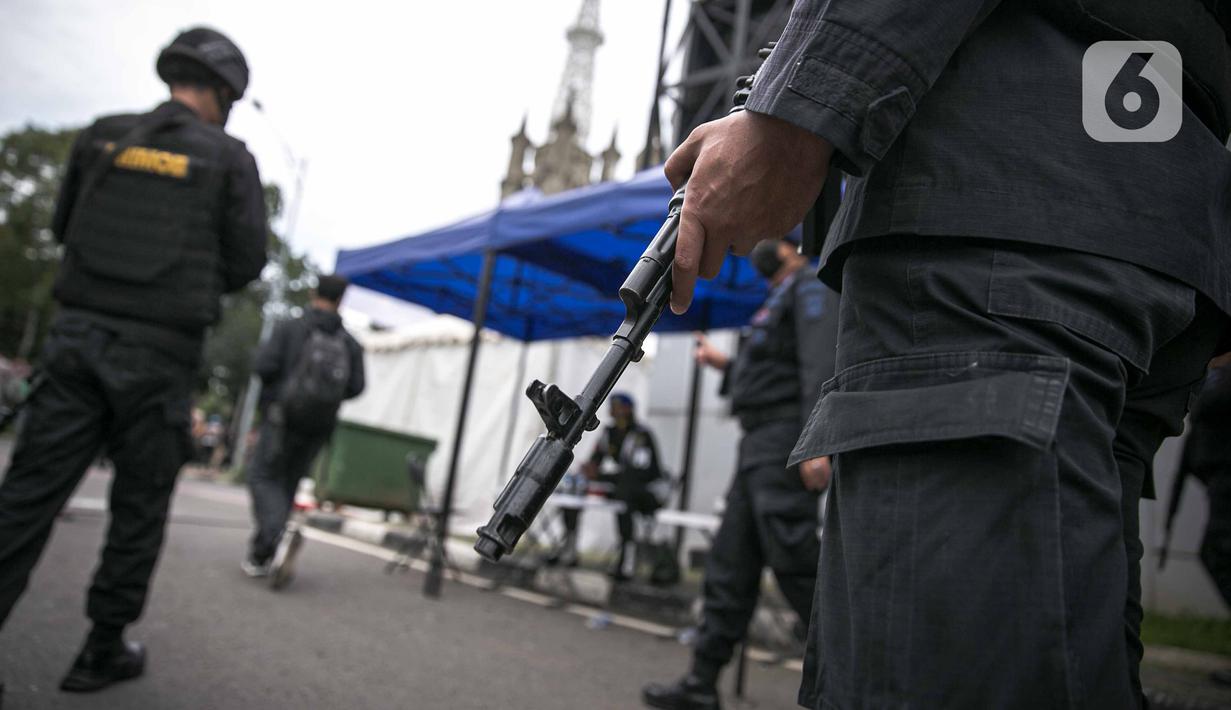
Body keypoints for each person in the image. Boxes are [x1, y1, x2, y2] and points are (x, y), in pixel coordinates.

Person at [662, 2, 1231, 708]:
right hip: (1132, 220)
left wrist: (794, 110)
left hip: (990, 217)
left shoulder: (801, 292)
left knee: (936, 670)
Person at [0, 26, 265, 693]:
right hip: (159, 357)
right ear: (226, 94)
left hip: (77, 344)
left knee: (26, 499)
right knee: (139, 509)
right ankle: (101, 649)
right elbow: (246, 261)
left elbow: (65, 229)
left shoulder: (102, 137)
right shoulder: (229, 159)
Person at [643, 236, 837, 710]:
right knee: (732, 563)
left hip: (784, 439)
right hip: (759, 443)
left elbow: (818, 363)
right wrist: (724, 364)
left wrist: (818, 438)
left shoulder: (810, 283)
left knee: (793, 554)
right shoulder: (776, 296)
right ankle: (701, 683)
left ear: (794, 245)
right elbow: (772, 371)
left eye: (772, 238)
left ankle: (859, 675)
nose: (760, 246)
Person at [243, 274, 365, 584]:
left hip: (281, 419)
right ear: (342, 298)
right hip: (318, 426)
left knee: (262, 475)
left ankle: (274, 535)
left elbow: (263, 367)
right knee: (287, 484)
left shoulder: (291, 328)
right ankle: (263, 553)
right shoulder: (349, 342)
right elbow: (356, 386)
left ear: (314, 292)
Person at [579, 393, 664, 581]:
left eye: (617, 406)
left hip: (647, 492)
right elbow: (596, 459)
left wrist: (601, 475)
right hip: (621, 487)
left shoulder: (641, 435)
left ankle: (627, 561)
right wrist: (588, 470)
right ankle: (568, 548)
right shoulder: (609, 432)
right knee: (576, 487)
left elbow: (639, 472)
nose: (613, 410)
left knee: (625, 496)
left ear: (627, 409)